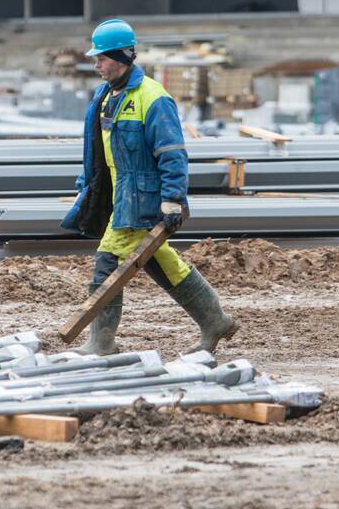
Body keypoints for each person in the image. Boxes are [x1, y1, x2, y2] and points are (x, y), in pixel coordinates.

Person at [61, 19, 239, 356]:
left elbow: (172, 154)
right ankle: (214, 320)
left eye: (102, 57)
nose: (96, 64)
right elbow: (101, 152)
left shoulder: (153, 98)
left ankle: (101, 343)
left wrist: (173, 199)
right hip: (119, 197)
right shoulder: (105, 96)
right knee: (162, 262)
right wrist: (90, 186)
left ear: (122, 57)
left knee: (107, 264)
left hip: (141, 201)